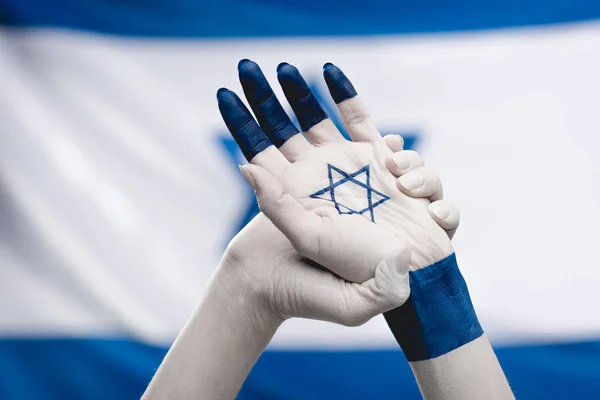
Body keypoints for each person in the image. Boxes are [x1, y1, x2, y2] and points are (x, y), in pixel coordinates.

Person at [142, 60, 514, 400]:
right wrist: (243, 281)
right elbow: (252, 276)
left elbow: (422, 282)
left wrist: (430, 283)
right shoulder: (256, 269)